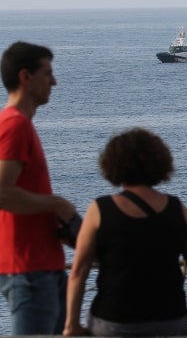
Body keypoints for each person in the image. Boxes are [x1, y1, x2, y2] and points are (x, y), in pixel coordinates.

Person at [63, 128, 187, 336]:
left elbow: (79, 270)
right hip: (170, 318)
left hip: (113, 319)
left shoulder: (100, 210)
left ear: (112, 165)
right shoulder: (178, 209)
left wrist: (71, 326)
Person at [0, 41, 77, 335]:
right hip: (29, 269)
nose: (54, 82)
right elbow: (3, 193)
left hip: (42, 266)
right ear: (25, 77)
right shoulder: (14, 125)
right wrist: (57, 205)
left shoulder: (22, 125)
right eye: (47, 74)